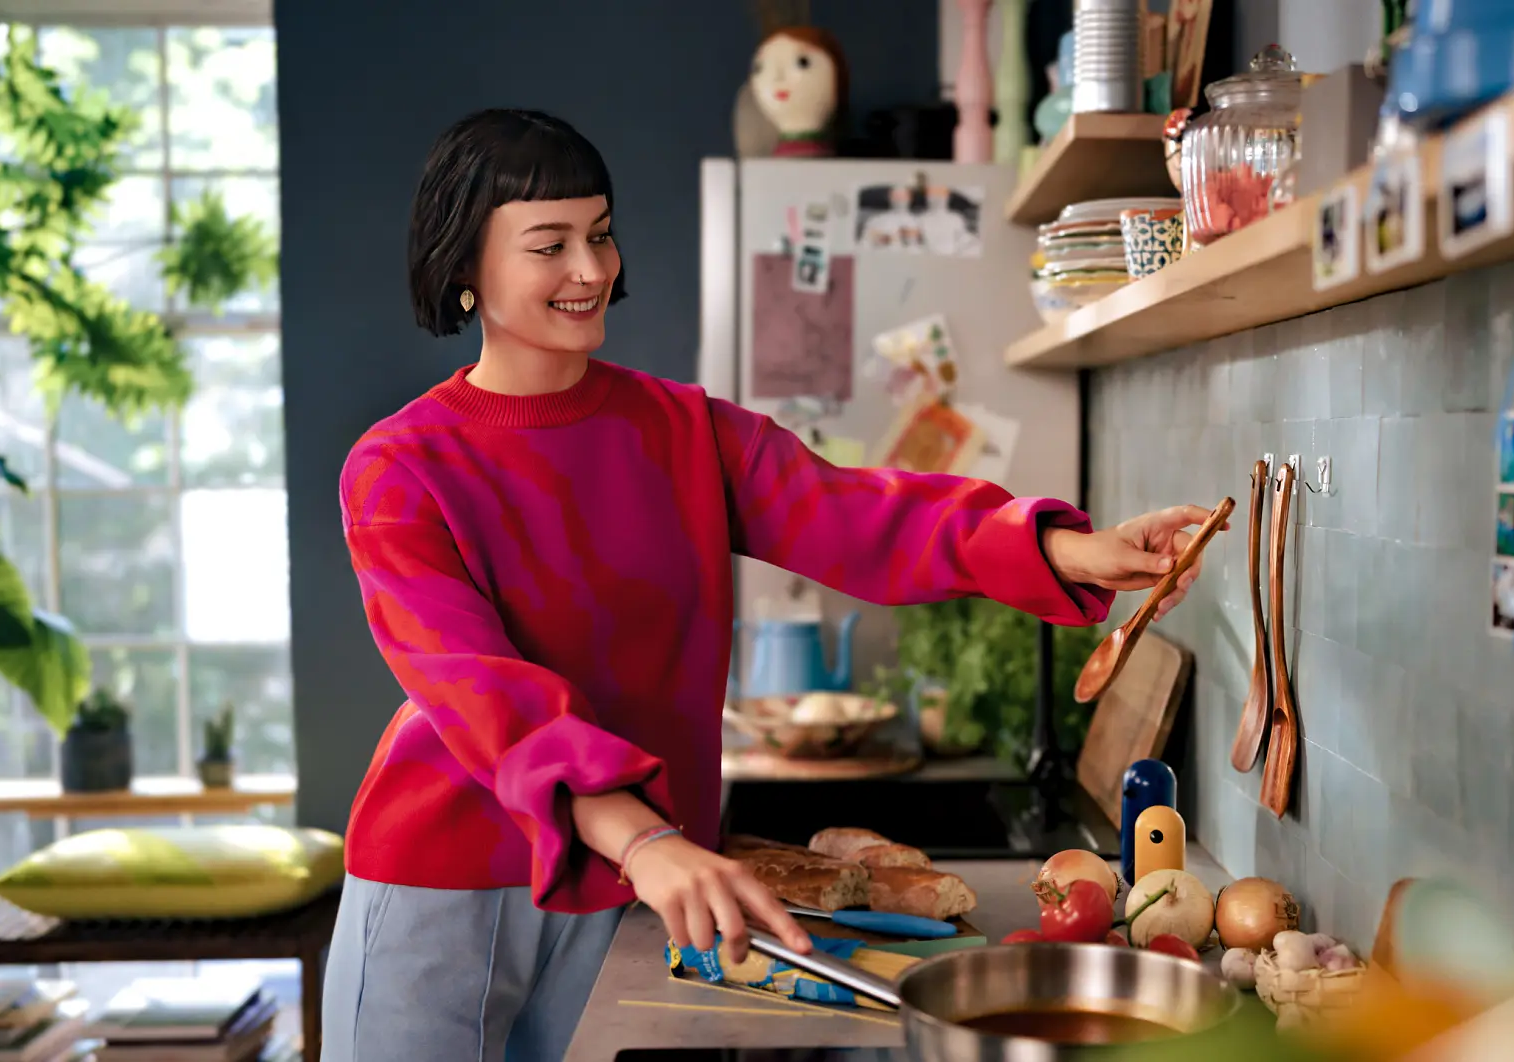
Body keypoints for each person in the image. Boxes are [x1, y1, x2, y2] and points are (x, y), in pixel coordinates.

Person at [320, 108, 1224, 1062]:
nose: (592, 271)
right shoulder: (400, 465)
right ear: (466, 266)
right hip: (447, 875)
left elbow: (860, 513)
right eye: (551, 245)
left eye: (601, 233)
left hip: (640, 873)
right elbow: (475, 682)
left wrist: (1064, 550)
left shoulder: (682, 431)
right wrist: (643, 838)